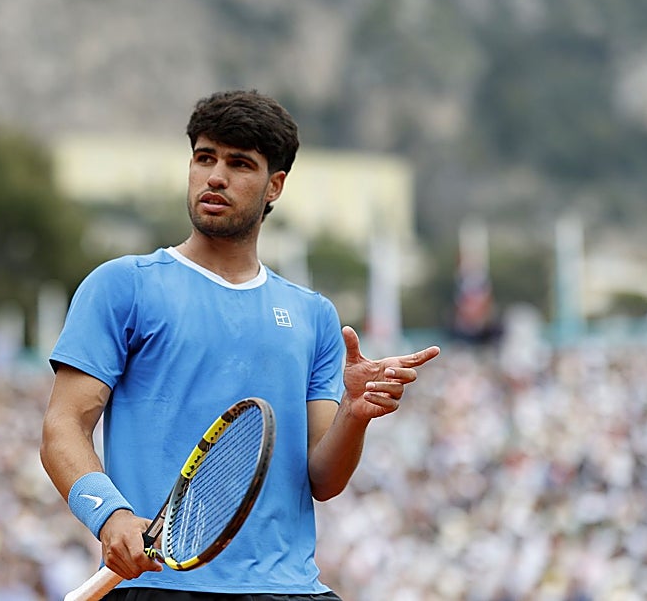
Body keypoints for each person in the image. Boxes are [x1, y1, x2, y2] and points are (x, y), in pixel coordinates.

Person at [40, 90, 440, 600]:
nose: (215, 177)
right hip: (163, 587)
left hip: (293, 589)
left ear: (275, 186)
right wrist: (110, 515)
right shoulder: (122, 286)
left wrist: (355, 414)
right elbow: (63, 426)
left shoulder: (314, 315)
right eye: (204, 157)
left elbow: (323, 478)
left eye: (239, 164)